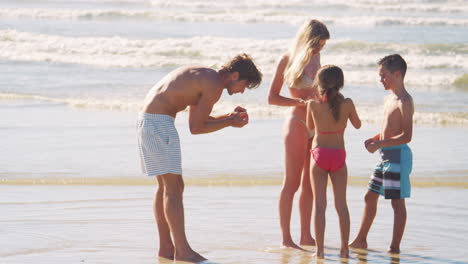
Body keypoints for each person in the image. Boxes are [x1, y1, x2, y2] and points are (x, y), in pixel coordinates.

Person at [136, 53, 262, 263]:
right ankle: (183, 251)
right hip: (158, 123)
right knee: (174, 188)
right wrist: (230, 122)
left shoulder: (206, 76)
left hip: (147, 121)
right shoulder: (214, 86)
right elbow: (196, 128)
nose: (241, 91)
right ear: (235, 75)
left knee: (167, 187)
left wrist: (229, 118)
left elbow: (199, 120)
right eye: (244, 85)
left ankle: (167, 248)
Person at [268, 19, 330, 249]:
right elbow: (272, 97)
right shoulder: (287, 59)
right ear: (307, 41)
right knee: (291, 184)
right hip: (296, 123)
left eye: (322, 46)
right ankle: (286, 238)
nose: (319, 50)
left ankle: (306, 236)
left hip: (317, 126)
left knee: (310, 185)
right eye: (317, 45)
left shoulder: (317, 59)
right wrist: (301, 101)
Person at [350, 54, 414, 254]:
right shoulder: (389, 99)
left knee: (397, 202)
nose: (381, 80)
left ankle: (395, 247)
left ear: (397, 74)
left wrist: (380, 144)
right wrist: (376, 138)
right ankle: (361, 240)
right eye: (379, 76)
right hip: (384, 156)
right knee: (370, 196)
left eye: (384, 76)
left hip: (397, 157)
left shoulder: (405, 101)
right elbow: (389, 129)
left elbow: (406, 136)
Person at [306, 65, 361, 259]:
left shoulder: (312, 104)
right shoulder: (347, 103)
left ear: (319, 84)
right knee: (342, 206)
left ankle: (319, 251)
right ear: (341, 83)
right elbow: (358, 124)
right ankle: (344, 249)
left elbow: (310, 127)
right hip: (338, 155)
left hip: (319, 154)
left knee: (319, 206)